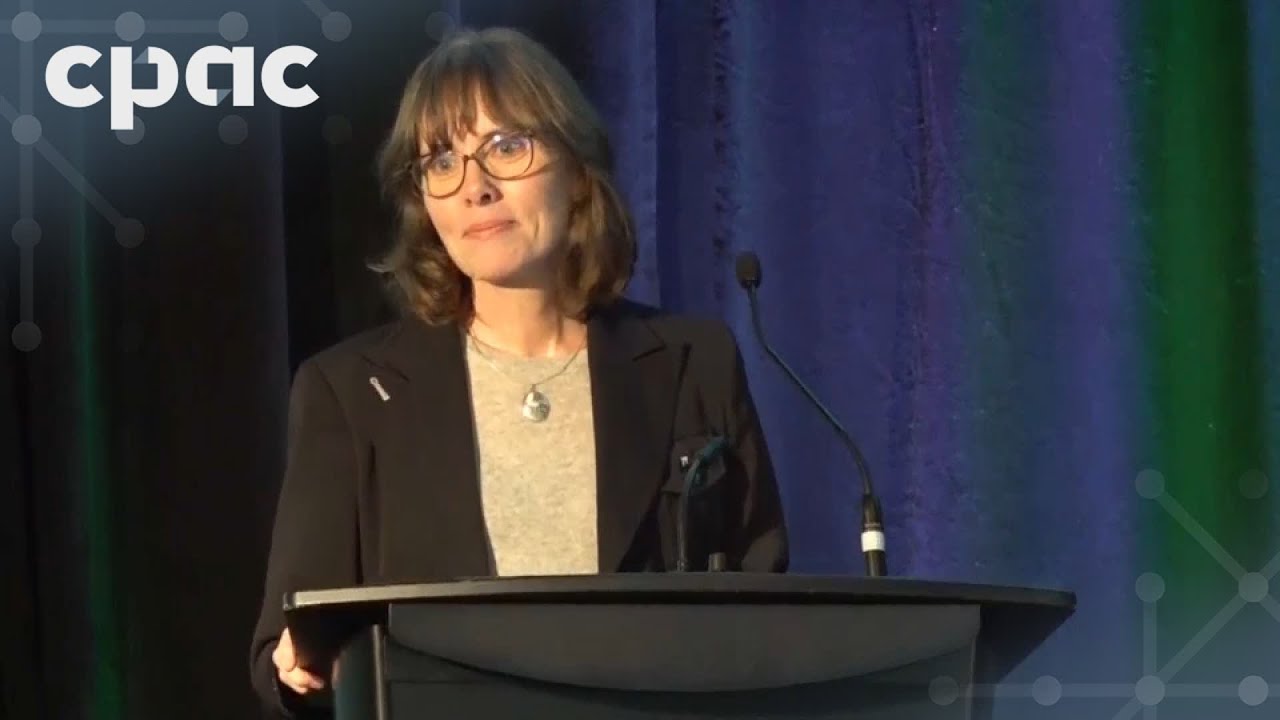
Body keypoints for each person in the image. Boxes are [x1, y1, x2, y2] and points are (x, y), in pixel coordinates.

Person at [248, 26, 788, 718]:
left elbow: (764, 608)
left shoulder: (693, 363)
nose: (475, 186)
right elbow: (281, 652)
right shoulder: (351, 393)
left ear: (575, 168)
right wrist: (298, 668)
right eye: (442, 161)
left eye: (506, 148)